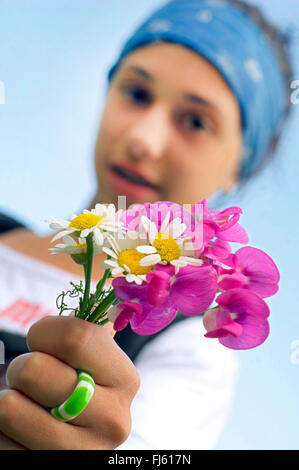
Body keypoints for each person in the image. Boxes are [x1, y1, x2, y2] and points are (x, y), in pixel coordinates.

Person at [0, 0, 294, 450]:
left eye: (195, 121)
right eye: (136, 93)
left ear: (238, 165)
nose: (143, 139)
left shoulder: (189, 347)